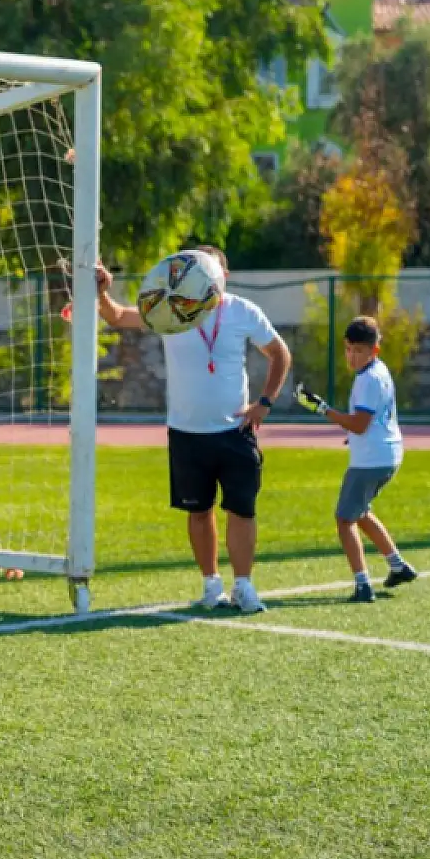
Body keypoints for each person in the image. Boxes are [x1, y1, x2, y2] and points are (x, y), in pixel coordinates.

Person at [95, 246, 291, 613]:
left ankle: (244, 586)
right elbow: (119, 317)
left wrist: (264, 403)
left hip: (235, 430)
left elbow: (280, 353)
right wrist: (102, 290)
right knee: (198, 512)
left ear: (222, 278)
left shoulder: (243, 310)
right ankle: (210, 585)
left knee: (242, 510)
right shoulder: (169, 312)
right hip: (186, 432)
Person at [295, 316, 420, 602]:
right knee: (360, 513)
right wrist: (354, 432)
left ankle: (363, 585)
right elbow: (366, 423)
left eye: (359, 351)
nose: (352, 356)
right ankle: (397, 566)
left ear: (374, 351)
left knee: (344, 519)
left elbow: (360, 423)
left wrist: (322, 409)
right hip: (387, 454)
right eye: (349, 349)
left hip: (371, 459)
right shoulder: (379, 371)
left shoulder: (368, 380)